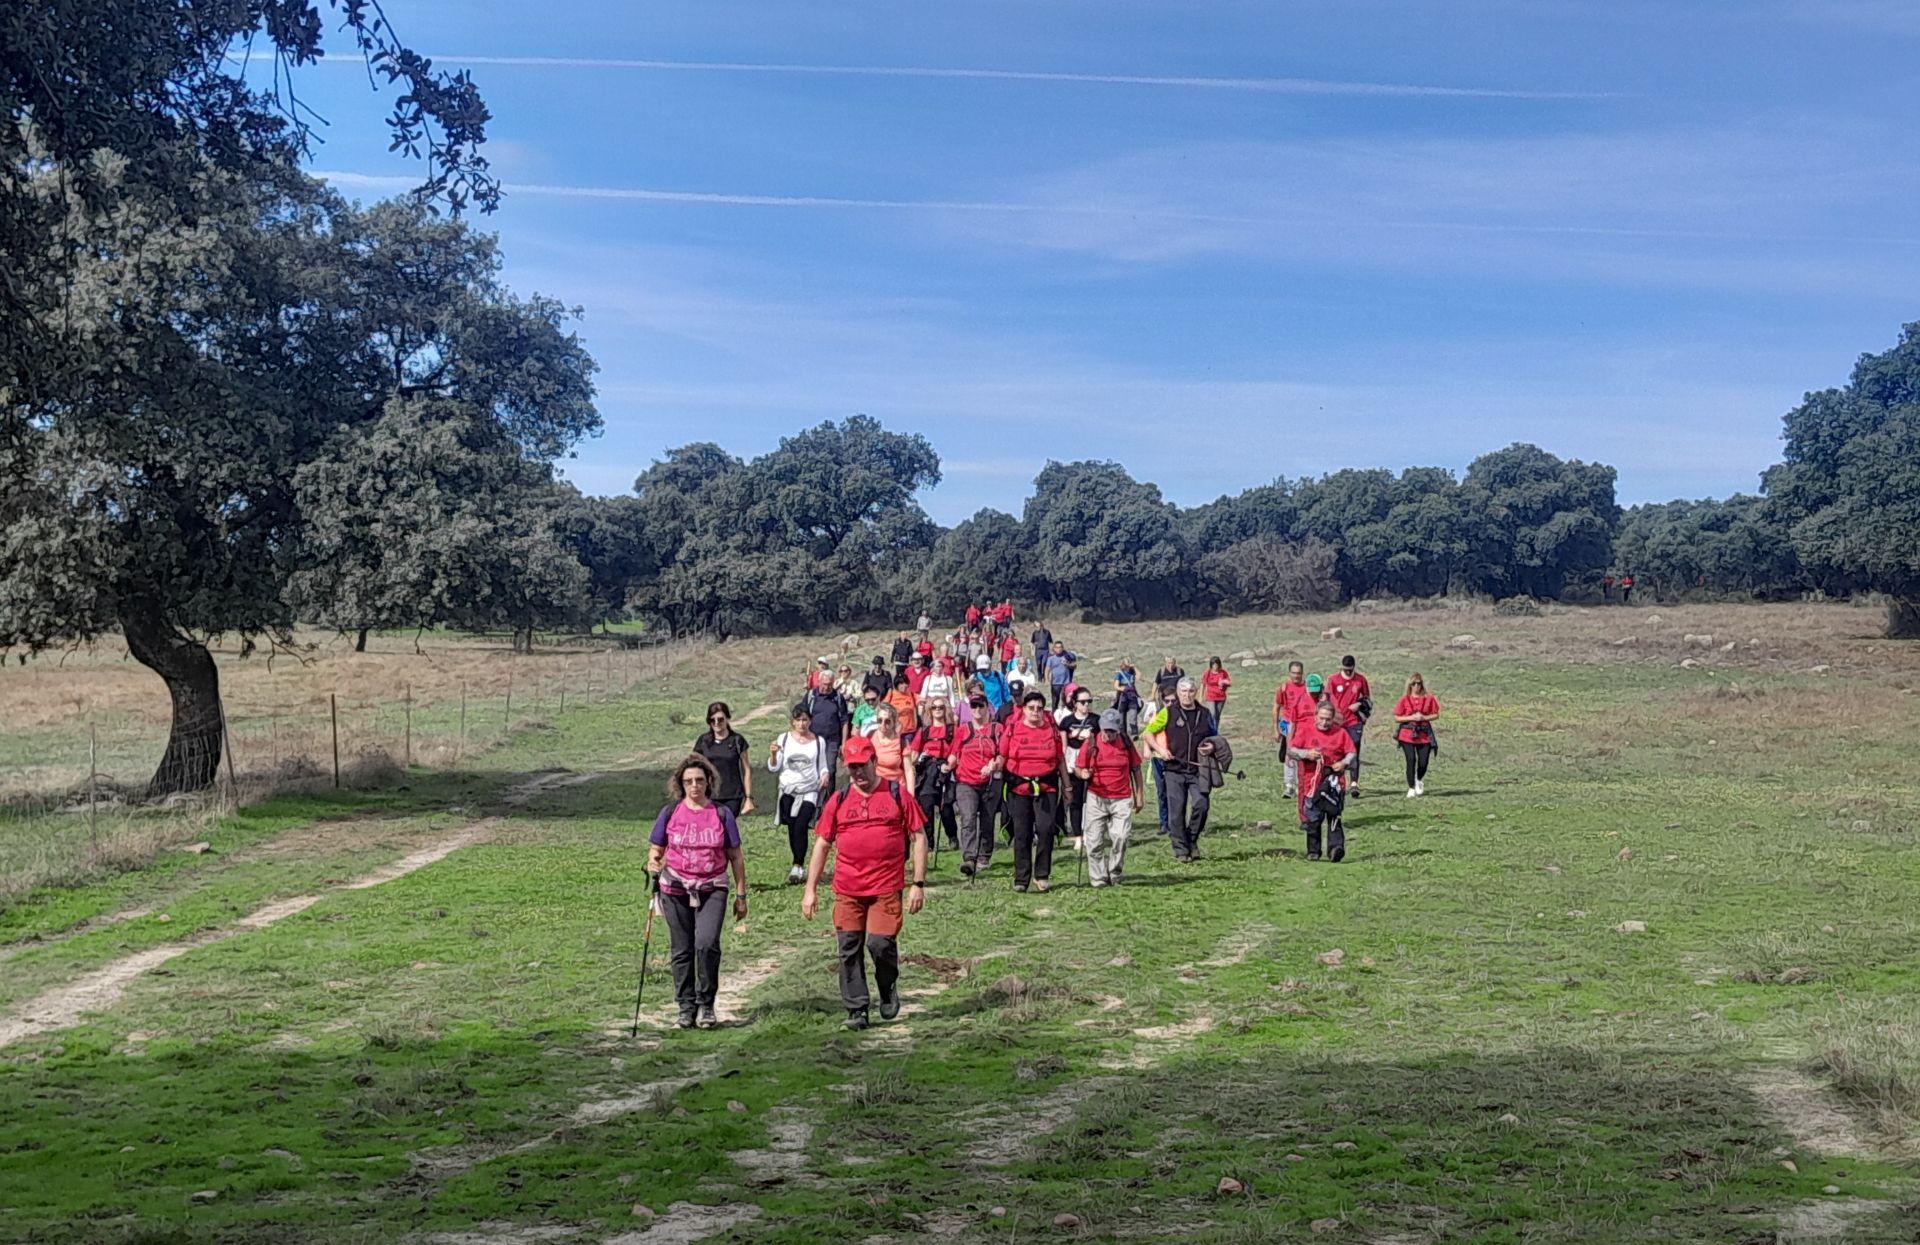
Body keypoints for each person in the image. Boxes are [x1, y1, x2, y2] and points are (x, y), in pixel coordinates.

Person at [800, 736, 928, 1030]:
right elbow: (821, 844)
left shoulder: (897, 794)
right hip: (848, 889)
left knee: (880, 944)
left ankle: (887, 987)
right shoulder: (839, 799)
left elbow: (919, 837)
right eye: (852, 767)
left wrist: (917, 883)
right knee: (848, 946)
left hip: (885, 887)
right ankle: (857, 1009)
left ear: (874, 762)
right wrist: (810, 890)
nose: (858, 773)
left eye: (862, 766)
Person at [647, 756, 749, 1029]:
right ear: (681, 784)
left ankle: (706, 1004)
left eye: (700, 780)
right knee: (681, 949)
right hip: (675, 887)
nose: (695, 786)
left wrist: (741, 895)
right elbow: (655, 850)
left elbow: (735, 857)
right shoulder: (670, 813)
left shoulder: (721, 814)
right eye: (689, 781)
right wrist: (653, 865)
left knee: (706, 944)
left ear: (708, 783)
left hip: (712, 886)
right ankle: (685, 1006)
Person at [998, 690, 1068, 893]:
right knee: (1022, 832)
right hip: (1018, 787)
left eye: (1039, 708)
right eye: (1031, 708)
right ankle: (1021, 878)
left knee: (1046, 829)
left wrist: (1068, 787)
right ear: (1024, 709)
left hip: (1047, 786)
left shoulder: (1051, 730)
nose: (1035, 712)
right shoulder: (1013, 728)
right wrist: (993, 766)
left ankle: (1042, 874)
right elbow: (1002, 755)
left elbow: (1060, 759)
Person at [1145, 677, 1217, 863]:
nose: (1187, 695)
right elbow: (1147, 733)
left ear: (1196, 692)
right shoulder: (1167, 712)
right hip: (1174, 769)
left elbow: (1215, 737)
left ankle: (1191, 839)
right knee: (1176, 810)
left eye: (1191, 691)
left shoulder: (1205, 713)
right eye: (1183, 691)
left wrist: (1211, 747)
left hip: (1197, 769)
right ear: (1178, 693)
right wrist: (1160, 749)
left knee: (1202, 804)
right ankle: (1181, 850)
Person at [1074, 708, 1143, 887]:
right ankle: (1098, 878)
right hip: (1096, 796)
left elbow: (1136, 769)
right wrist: (1083, 774)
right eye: (1106, 730)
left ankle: (1114, 872)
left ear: (1118, 730)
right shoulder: (1091, 743)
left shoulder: (1126, 743)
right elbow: (1078, 767)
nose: (1108, 734)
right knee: (1095, 840)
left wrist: (1139, 796)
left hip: (1121, 797)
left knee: (1121, 837)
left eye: (1112, 730)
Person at [768, 708, 831, 884]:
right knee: (792, 826)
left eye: (805, 720)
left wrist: (825, 775)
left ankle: (798, 865)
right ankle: (797, 863)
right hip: (788, 789)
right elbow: (774, 767)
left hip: (809, 790)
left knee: (801, 826)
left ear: (810, 721)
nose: (801, 724)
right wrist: (773, 754)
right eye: (798, 720)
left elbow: (823, 766)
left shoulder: (819, 742)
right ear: (792, 722)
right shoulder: (784, 739)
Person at [1288, 700, 1353, 862]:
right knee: (1314, 819)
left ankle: (1335, 849)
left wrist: (1343, 763)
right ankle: (1314, 851)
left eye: (1328, 719)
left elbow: (1351, 752)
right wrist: (1306, 754)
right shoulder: (1305, 730)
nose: (1324, 722)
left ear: (1333, 719)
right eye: (1322, 718)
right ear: (1315, 716)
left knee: (1334, 816)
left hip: (1334, 784)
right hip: (1312, 783)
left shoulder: (1341, 733)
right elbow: (1292, 750)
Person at [951, 694, 1004, 876]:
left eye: (980, 706)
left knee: (987, 820)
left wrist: (994, 764)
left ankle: (984, 855)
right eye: (973, 706)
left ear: (987, 707)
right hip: (966, 781)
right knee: (968, 818)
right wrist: (946, 764)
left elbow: (1002, 754)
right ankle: (969, 858)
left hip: (989, 781)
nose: (977, 710)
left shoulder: (997, 729)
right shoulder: (963, 730)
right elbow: (954, 753)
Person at [908, 698, 961, 852]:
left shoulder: (953, 730)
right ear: (929, 711)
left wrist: (948, 766)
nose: (937, 710)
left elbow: (955, 751)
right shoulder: (923, 731)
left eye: (941, 707)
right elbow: (913, 755)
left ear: (946, 710)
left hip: (945, 769)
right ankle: (928, 842)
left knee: (946, 807)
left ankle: (952, 836)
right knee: (926, 806)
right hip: (927, 772)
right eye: (934, 707)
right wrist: (918, 758)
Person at [690, 702, 754, 820]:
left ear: (727, 719)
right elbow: (693, 768)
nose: (716, 723)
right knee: (710, 829)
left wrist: (749, 798)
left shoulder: (737, 740)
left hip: (732, 795)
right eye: (712, 720)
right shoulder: (703, 741)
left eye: (720, 719)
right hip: (708, 794)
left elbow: (747, 770)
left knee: (725, 829)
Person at [1056, 686, 1101, 842]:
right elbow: (1063, 745)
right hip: (1072, 761)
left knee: (1091, 799)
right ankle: (1077, 835)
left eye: (1089, 701)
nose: (1086, 705)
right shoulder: (1066, 722)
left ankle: (1091, 831)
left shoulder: (1096, 720)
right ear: (1074, 703)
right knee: (1075, 799)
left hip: (1091, 761)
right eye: (1082, 702)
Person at [1327, 655, 1372, 800]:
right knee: (1337, 752)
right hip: (1338, 722)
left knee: (1353, 751)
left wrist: (1359, 704)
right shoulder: (1333, 680)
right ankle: (1338, 782)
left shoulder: (1360, 680)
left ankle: (1354, 783)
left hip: (1354, 721)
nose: (1347, 672)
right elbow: (1327, 699)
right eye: (1345, 669)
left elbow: (1367, 699)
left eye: (1349, 670)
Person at [1393, 673, 1442, 798]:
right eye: (1413, 684)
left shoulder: (1429, 698)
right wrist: (1411, 717)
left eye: (1418, 683)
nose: (1416, 686)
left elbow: (1436, 714)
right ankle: (1411, 787)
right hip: (1407, 734)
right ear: (1410, 685)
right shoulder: (1404, 700)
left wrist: (1424, 717)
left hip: (1423, 734)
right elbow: (1397, 717)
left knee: (1423, 762)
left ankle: (1418, 778)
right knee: (1411, 760)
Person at [1271, 661, 1316, 798]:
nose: (1296, 676)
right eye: (1293, 673)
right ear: (1289, 673)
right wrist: (1275, 728)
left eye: (1298, 673)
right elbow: (1276, 707)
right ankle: (1289, 785)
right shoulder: (1284, 688)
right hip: (1288, 723)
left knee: (1302, 754)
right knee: (1289, 754)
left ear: (1302, 673)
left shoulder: (1307, 687)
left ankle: (1300, 784)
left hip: (1303, 725)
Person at [799, 680, 850, 788]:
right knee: (811, 768)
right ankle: (812, 798)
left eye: (829, 685)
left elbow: (844, 722)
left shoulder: (838, 697)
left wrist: (844, 743)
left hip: (832, 741)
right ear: (819, 682)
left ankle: (828, 801)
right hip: (813, 739)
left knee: (830, 770)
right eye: (824, 684)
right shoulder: (811, 696)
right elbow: (801, 716)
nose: (826, 688)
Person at [870, 702, 914, 795]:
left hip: (896, 789)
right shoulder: (870, 739)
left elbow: (909, 771)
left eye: (887, 721)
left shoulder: (902, 743)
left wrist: (910, 795)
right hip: (876, 789)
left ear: (894, 722)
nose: (883, 724)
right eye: (880, 720)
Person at [1201, 656, 1233, 731]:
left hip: (1221, 697)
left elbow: (1229, 682)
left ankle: (1215, 730)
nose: (1215, 666)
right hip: (1210, 697)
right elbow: (1203, 684)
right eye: (1213, 664)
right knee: (1212, 714)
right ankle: (1210, 728)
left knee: (1217, 715)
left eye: (1216, 664)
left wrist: (1224, 682)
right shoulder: (1208, 673)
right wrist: (1201, 696)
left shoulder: (1223, 672)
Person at [1045, 640, 1075, 711]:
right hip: (1055, 683)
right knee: (1055, 701)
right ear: (1054, 648)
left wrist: (1068, 664)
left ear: (1062, 648)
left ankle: (1065, 716)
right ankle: (1054, 716)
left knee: (1065, 701)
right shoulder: (1051, 658)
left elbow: (1074, 665)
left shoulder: (1067, 656)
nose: (1059, 649)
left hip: (1066, 683)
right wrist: (1047, 679)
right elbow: (1047, 669)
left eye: (1060, 647)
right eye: (1057, 647)